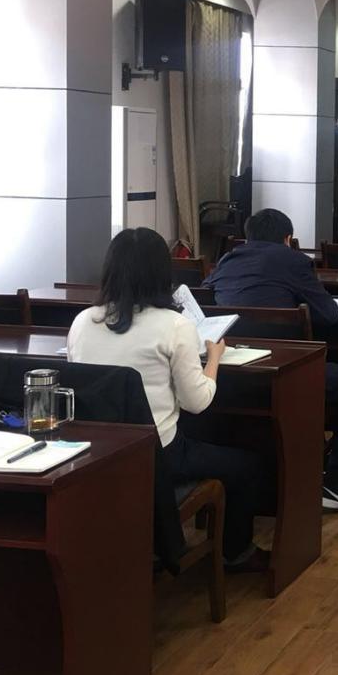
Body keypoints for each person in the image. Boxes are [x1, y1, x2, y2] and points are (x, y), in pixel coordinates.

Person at [67, 228, 269, 571]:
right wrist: (214, 358)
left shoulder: (82, 322)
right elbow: (197, 403)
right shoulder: (174, 325)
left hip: (98, 453)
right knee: (246, 466)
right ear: (163, 272)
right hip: (159, 455)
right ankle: (236, 554)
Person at [205, 208, 338, 512]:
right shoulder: (293, 261)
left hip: (231, 377)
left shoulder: (227, 261)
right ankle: (336, 480)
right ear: (288, 239)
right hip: (286, 375)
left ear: (247, 238)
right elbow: (329, 314)